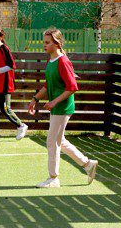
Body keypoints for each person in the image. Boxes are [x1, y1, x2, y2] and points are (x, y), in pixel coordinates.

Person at [27, 28, 98, 188]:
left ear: (57, 43)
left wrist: (54, 102)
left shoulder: (63, 61)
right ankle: (88, 164)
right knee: (60, 141)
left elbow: (72, 87)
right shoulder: (50, 61)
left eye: (47, 42)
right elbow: (48, 85)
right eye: (44, 42)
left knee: (52, 141)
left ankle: (53, 178)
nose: (44, 45)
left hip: (63, 107)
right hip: (57, 107)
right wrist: (35, 99)